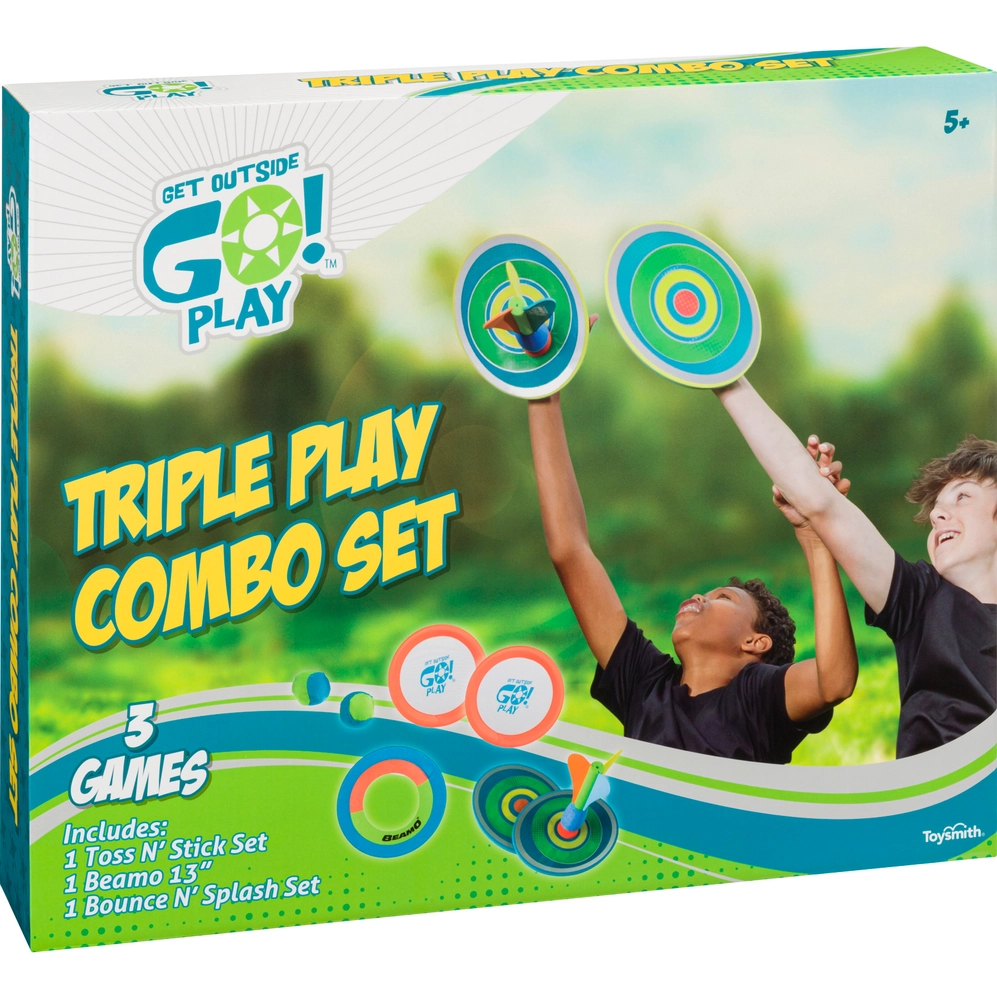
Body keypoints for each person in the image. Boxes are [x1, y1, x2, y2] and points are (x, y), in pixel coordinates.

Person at [527, 356, 858, 763]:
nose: (701, 596)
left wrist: (815, 536)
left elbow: (834, 682)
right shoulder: (645, 684)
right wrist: (543, 388)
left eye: (724, 598)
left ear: (754, 643)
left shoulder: (758, 697)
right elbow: (570, 550)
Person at [715, 377, 997, 757]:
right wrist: (726, 380)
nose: (938, 515)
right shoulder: (922, 599)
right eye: (936, 510)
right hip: (944, 794)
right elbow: (818, 502)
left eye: (962, 497)